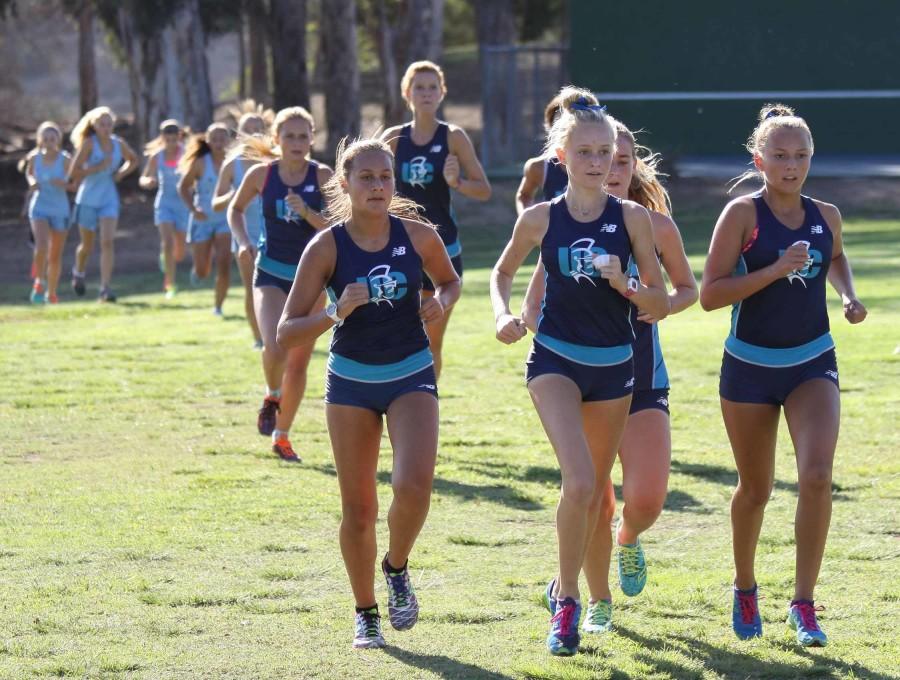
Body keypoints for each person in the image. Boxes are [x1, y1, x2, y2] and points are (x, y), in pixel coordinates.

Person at [490, 86, 669, 656]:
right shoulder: (542, 218)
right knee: (584, 481)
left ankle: (571, 588)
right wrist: (504, 314)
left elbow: (660, 301)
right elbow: (500, 275)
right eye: (585, 152)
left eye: (606, 152)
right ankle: (568, 602)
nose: (598, 162)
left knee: (595, 495)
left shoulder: (635, 219)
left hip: (616, 367)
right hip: (555, 362)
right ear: (561, 157)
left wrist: (625, 284)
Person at [277, 136, 460, 649]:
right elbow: (287, 331)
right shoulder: (327, 246)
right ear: (344, 184)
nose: (378, 186)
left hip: (410, 372)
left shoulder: (419, 236)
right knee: (358, 510)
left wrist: (439, 302)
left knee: (414, 486)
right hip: (352, 382)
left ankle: (396, 566)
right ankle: (366, 612)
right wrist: (336, 311)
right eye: (366, 177)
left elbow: (449, 282)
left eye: (386, 177)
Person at [521, 115, 698, 634]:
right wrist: (559, 347)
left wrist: (645, 297)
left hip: (640, 375)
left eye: (621, 160)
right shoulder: (567, 224)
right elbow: (534, 304)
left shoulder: (651, 225)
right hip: (579, 373)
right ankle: (594, 599)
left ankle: (628, 538)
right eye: (600, 157)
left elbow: (687, 292)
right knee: (591, 490)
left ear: (631, 164)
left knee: (645, 497)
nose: (610, 168)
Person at [700, 103, 867, 647]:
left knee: (817, 475)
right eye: (779, 155)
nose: (791, 165)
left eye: (800, 156)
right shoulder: (742, 215)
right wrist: (773, 269)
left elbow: (835, 257)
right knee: (756, 489)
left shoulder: (826, 214)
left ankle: (804, 603)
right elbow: (710, 294)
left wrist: (848, 294)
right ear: (759, 158)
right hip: (748, 367)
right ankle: (745, 587)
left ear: (811, 159)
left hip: (812, 362)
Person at [227, 107, 332, 460]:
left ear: (312, 140)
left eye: (304, 136)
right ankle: (272, 395)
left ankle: (282, 436)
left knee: (299, 364)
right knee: (274, 346)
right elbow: (235, 209)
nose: (297, 143)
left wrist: (306, 212)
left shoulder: (323, 176)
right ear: (276, 139)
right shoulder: (262, 175)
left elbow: (336, 228)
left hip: (312, 280)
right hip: (270, 272)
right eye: (289, 136)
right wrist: (243, 242)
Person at [381, 60, 492, 380]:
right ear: (407, 93)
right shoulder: (393, 139)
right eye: (419, 87)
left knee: (432, 341)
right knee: (399, 339)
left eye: (432, 87)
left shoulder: (453, 137)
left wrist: (457, 182)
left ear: (442, 93)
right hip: (399, 250)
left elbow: (483, 190)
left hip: (443, 250)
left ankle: (424, 405)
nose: (426, 93)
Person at [68, 106, 139, 302]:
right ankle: (79, 271)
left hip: (109, 198)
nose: (106, 128)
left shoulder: (119, 144)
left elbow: (133, 160)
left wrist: (121, 174)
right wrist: (96, 168)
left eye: (109, 124)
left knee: (107, 242)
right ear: (94, 126)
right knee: (87, 246)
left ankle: (105, 288)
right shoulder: (89, 144)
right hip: (88, 199)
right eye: (102, 124)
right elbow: (74, 172)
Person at [213, 110, 271, 347]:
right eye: (248, 128)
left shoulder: (274, 161)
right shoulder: (231, 165)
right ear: (239, 133)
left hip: (276, 235)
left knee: (280, 288)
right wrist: (233, 195)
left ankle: (277, 336)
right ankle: (259, 339)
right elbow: (216, 205)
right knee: (253, 287)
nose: (254, 133)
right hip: (245, 235)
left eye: (258, 128)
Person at [178, 122, 232, 315]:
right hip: (203, 218)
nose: (219, 143)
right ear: (208, 141)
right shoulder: (201, 162)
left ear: (229, 140)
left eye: (222, 138)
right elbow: (183, 187)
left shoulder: (233, 162)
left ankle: (218, 306)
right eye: (214, 139)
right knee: (203, 270)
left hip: (225, 219)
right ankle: (197, 271)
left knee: (224, 264)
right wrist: (193, 210)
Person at [139, 119, 190, 298]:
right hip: (164, 203)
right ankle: (170, 283)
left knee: (180, 252)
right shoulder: (157, 156)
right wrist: (148, 182)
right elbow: (143, 178)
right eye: (167, 140)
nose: (170, 144)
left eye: (174, 140)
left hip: (183, 204)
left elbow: (196, 174)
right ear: (162, 139)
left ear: (179, 137)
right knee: (167, 243)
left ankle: (167, 260)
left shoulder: (186, 154)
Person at [24, 121, 72, 304]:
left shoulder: (66, 159)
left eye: (52, 138)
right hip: (39, 207)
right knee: (42, 245)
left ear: (58, 140)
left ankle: (51, 293)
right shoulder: (34, 158)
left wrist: (65, 185)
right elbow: (29, 173)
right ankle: (39, 281)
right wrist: (31, 182)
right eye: (45, 138)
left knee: (55, 255)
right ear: (40, 140)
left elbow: (76, 184)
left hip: (60, 209)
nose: (49, 141)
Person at [515, 93, 568, 214]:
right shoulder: (540, 167)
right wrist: (527, 220)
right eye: (562, 127)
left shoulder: (607, 165)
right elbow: (524, 196)